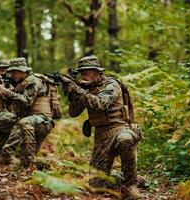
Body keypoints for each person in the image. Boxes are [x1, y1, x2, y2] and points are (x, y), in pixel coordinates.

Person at [61, 55, 144, 199]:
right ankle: (129, 177)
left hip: (120, 129)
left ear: (97, 71)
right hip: (101, 137)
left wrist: (78, 89)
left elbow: (100, 104)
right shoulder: (85, 89)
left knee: (125, 139)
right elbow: (73, 113)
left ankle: (131, 185)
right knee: (96, 186)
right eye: (82, 72)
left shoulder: (111, 84)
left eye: (87, 71)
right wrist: (73, 93)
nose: (84, 75)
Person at [0, 57, 55, 168]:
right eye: (11, 72)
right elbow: (12, 104)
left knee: (24, 123)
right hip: (29, 121)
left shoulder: (33, 81)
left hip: (42, 121)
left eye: (14, 72)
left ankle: (31, 165)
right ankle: (45, 165)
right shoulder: (20, 83)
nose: (12, 75)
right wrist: (4, 93)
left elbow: (26, 101)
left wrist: (7, 92)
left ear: (23, 71)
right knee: (20, 159)